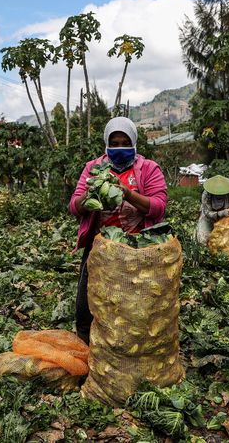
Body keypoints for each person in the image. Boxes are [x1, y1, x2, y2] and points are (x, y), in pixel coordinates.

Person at [68, 117, 167, 344]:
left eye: (125, 142)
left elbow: (159, 208)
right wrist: (91, 195)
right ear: (106, 143)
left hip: (137, 249)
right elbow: (74, 206)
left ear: (133, 143)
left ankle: (129, 348)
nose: (120, 147)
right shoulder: (93, 168)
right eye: (115, 142)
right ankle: (86, 349)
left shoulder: (148, 169)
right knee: (85, 305)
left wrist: (129, 194)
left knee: (135, 306)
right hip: (100, 247)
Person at [195, 175, 229, 245]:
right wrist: (221, 213)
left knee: (225, 241)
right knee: (203, 240)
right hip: (208, 218)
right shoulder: (206, 194)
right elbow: (207, 212)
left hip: (225, 218)